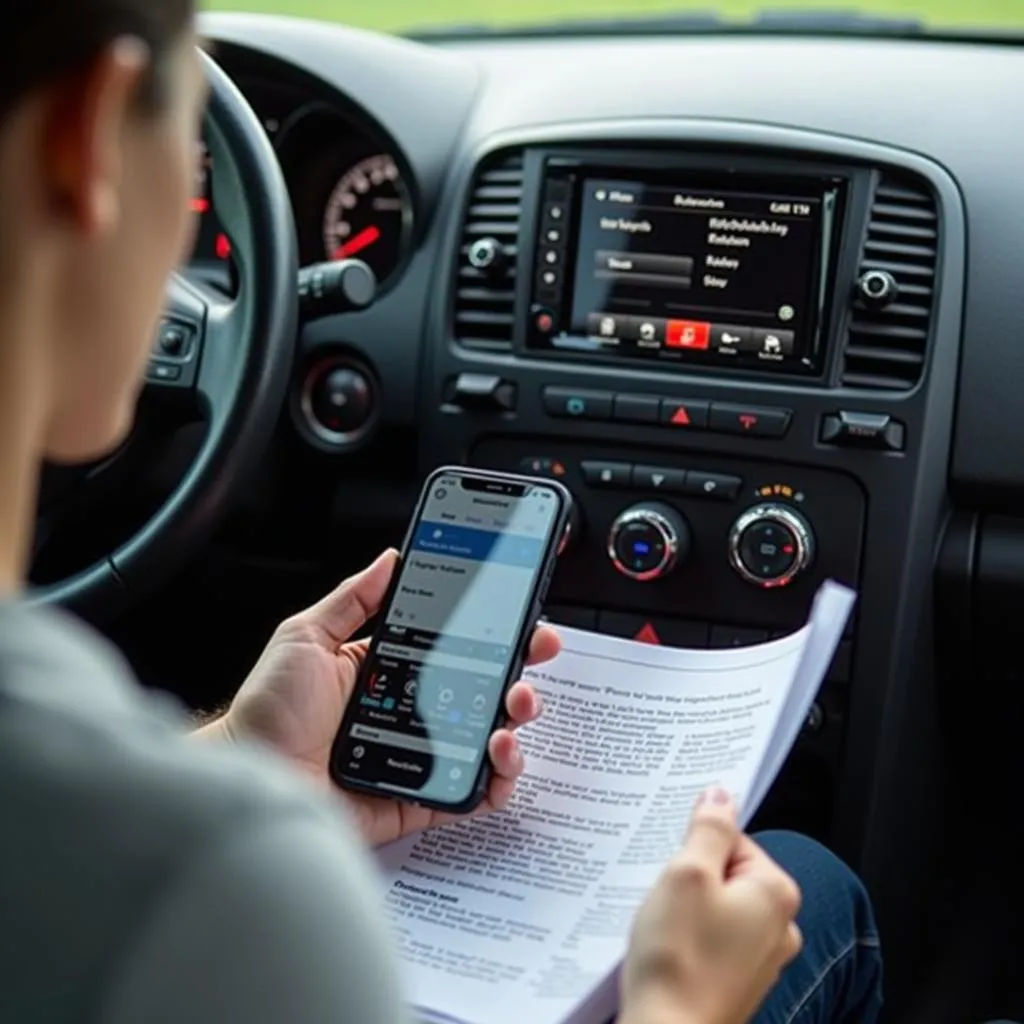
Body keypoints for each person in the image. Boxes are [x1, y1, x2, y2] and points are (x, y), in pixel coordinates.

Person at [0, 0, 883, 1021]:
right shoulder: (225, 894)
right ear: (88, 138)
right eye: (190, 133)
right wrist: (678, 1008)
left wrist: (247, 753)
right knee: (811, 888)